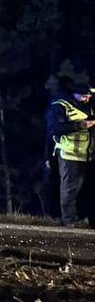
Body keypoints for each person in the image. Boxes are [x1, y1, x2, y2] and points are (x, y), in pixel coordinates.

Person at [46, 79, 95, 228]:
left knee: (81, 190)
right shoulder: (61, 106)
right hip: (69, 154)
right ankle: (69, 221)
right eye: (84, 96)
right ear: (75, 94)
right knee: (69, 189)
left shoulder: (89, 107)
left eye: (89, 95)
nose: (87, 98)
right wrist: (79, 125)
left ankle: (80, 218)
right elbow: (54, 128)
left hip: (87, 155)